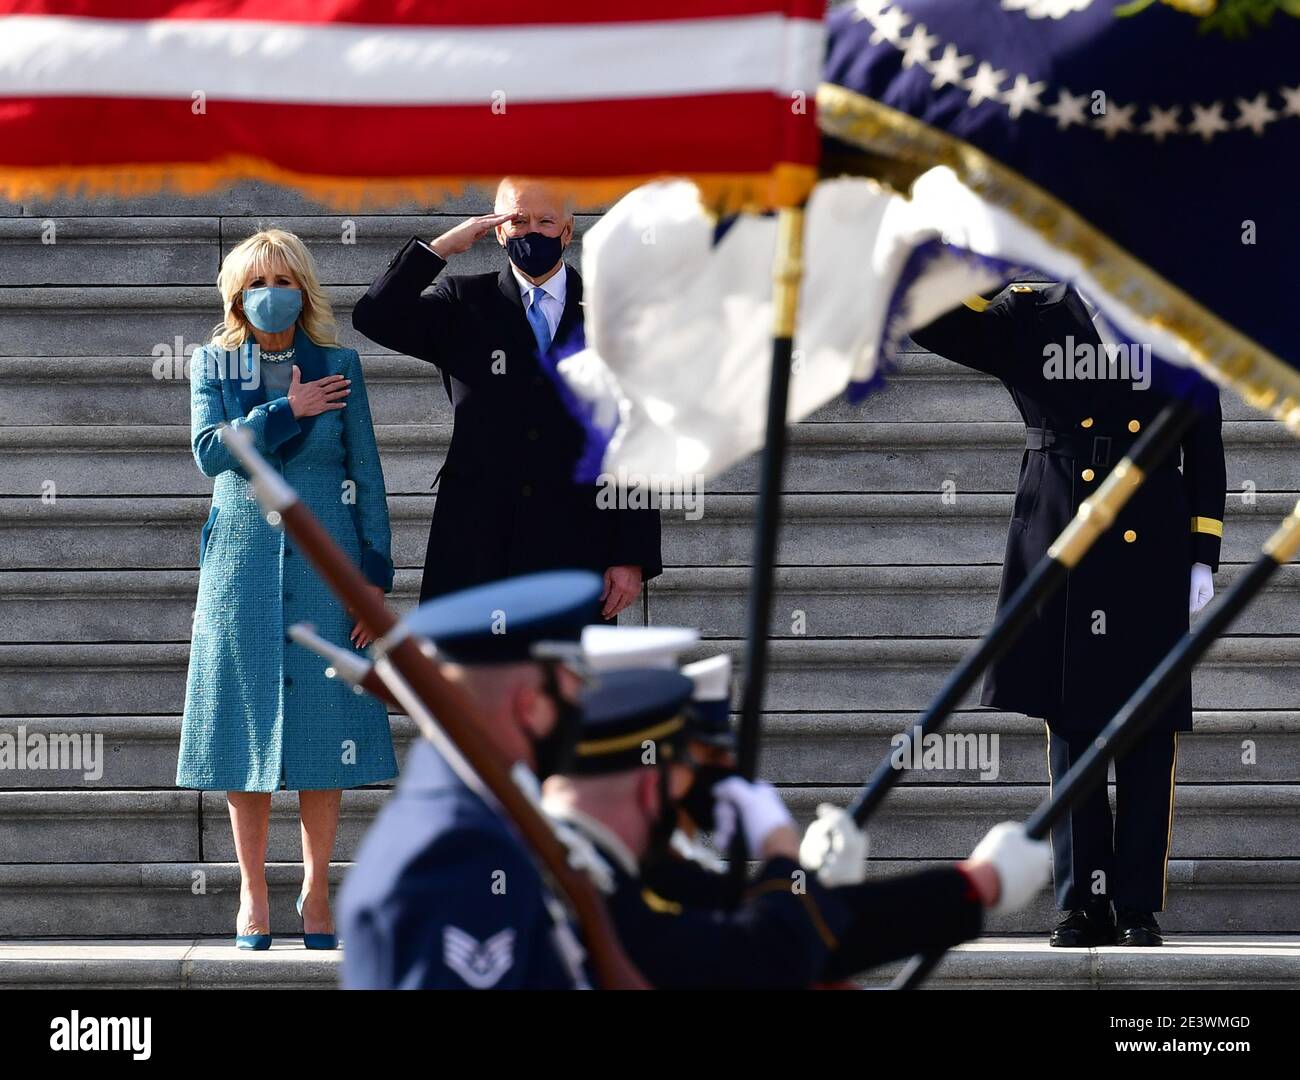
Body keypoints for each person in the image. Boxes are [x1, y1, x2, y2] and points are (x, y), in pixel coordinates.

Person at [911, 280, 1227, 948]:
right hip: (1064, 525)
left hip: (1150, 525)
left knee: (1147, 723)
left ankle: (1137, 903)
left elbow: (1204, 431)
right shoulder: (1030, 309)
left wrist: (1203, 551)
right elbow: (929, 322)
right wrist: (990, 262)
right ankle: (1082, 901)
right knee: (1075, 719)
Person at [541, 671, 1051, 989]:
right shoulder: (581, 880)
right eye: (696, 775)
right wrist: (784, 858)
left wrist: (971, 885)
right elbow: (763, 957)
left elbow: (803, 935)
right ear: (652, 789)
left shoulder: (604, 864)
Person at [178, 228, 396, 951]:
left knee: (321, 730)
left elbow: (367, 474)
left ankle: (316, 887)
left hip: (326, 564)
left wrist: (375, 576)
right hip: (240, 567)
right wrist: (285, 411)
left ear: (305, 289)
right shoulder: (216, 362)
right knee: (244, 725)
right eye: (257, 283)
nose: (271, 295)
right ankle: (250, 890)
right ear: (236, 294)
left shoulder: (339, 365)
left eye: (285, 281)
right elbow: (213, 452)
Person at [351, 177, 662, 613]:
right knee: (465, 680)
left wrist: (631, 554)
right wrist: (440, 249)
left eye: (545, 221)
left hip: (573, 544)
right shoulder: (463, 301)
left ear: (567, 231)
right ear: (498, 230)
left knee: (559, 681)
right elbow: (375, 317)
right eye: (517, 220)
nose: (531, 231)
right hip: (475, 542)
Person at [337, 571, 604, 990]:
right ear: (529, 703)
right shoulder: (463, 850)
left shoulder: (472, 810)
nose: (580, 713)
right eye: (572, 695)